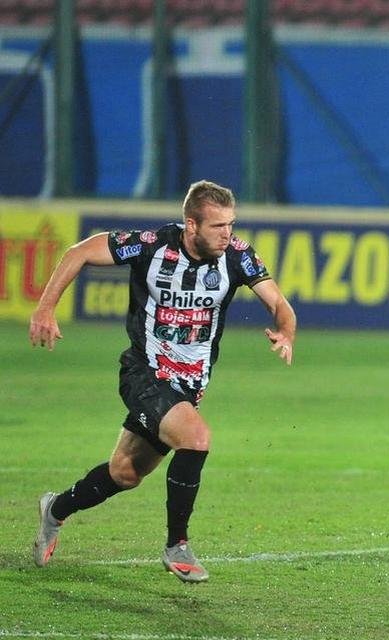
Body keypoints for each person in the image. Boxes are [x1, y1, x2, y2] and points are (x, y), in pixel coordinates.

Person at [29, 180, 297, 582]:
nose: (228, 233)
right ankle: (178, 544)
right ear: (191, 225)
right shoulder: (152, 245)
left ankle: (55, 509)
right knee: (196, 438)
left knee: (125, 473)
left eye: (231, 224)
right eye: (217, 226)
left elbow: (279, 304)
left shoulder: (238, 256)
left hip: (188, 387)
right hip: (144, 372)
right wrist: (45, 308)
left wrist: (286, 331)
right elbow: (79, 251)